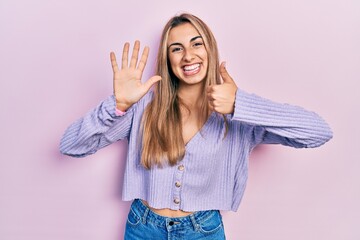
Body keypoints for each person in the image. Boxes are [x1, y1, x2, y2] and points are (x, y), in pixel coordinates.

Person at [60, 13, 333, 240]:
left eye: (196, 44)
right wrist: (117, 105)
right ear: (168, 60)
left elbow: (318, 132)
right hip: (143, 228)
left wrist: (241, 104)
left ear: (210, 49)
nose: (188, 56)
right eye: (176, 48)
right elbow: (71, 145)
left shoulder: (240, 117)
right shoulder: (143, 107)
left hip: (203, 231)